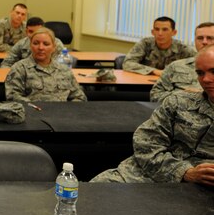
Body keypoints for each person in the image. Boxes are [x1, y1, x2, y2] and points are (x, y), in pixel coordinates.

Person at [91, 44, 214, 185]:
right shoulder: (179, 102)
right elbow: (145, 142)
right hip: (152, 173)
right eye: (200, 73)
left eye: (213, 71)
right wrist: (184, 172)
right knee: (91, 194)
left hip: (203, 188)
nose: (206, 80)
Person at [4, 27, 86, 102]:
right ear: (30, 46)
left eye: (46, 44)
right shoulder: (19, 68)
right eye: (36, 43)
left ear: (54, 47)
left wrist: (68, 111)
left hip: (63, 115)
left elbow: (79, 97)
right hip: (32, 114)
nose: (40, 48)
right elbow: (13, 97)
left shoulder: (64, 70)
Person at [150, 22, 214, 102]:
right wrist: (183, 94)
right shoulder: (175, 66)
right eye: (200, 38)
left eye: (210, 38)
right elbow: (155, 95)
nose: (204, 42)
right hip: (178, 112)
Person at [123, 16, 196, 76]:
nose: (160, 33)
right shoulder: (145, 44)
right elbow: (127, 63)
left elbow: (198, 67)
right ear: (152, 32)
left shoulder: (182, 49)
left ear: (174, 32)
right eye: (157, 29)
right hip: (144, 83)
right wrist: (154, 71)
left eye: (165, 30)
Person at [0, 16, 66, 68]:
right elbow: (6, 63)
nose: (34, 34)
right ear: (26, 32)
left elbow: (64, 65)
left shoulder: (56, 43)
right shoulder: (21, 44)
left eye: (38, 31)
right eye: (31, 31)